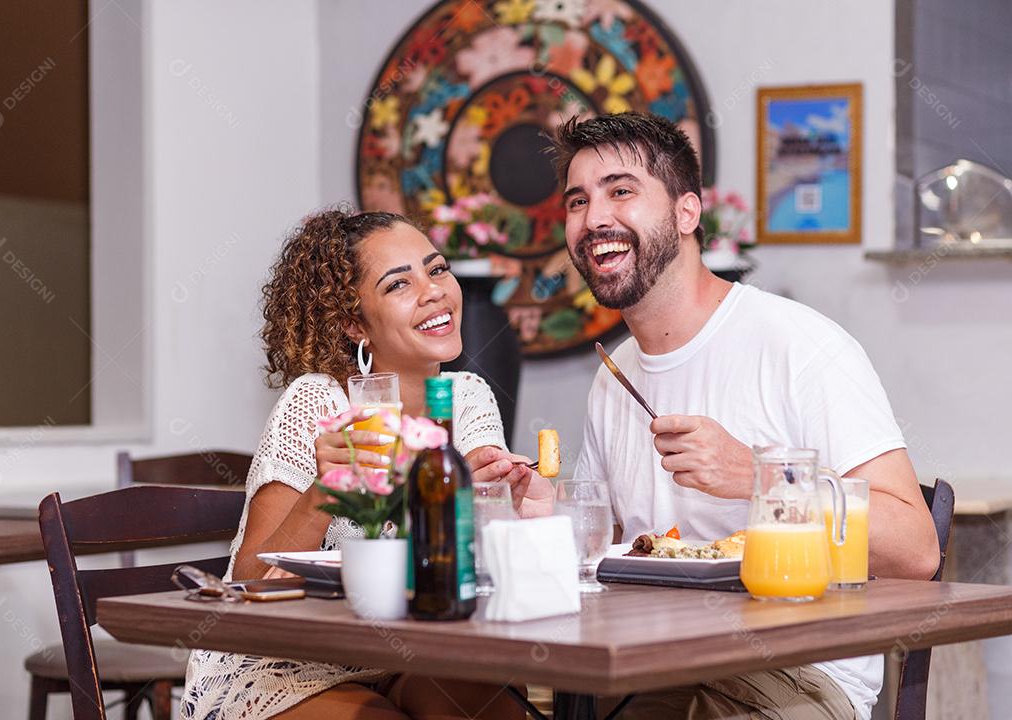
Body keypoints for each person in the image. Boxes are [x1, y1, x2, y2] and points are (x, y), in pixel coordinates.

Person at [550, 112, 939, 720]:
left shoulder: (800, 345)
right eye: (578, 201)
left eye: (621, 191)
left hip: (796, 674)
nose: (595, 217)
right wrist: (542, 514)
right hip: (657, 667)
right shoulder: (613, 376)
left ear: (686, 213)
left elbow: (916, 551)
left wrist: (756, 475)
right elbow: (614, 557)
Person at [181, 208, 532, 720]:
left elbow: (470, 567)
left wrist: (495, 502)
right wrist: (327, 490)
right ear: (353, 323)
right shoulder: (315, 403)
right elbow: (247, 583)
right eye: (398, 285)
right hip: (286, 662)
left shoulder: (469, 398)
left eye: (437, 270)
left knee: (494, 709)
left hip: (408, 651)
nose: (434, 290)